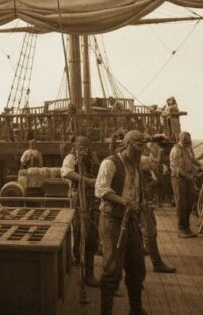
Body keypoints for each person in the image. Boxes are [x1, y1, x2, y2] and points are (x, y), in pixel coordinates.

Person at [95, 129, 155, 315]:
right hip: (112, 220)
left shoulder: (136, 164)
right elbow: (100, 189)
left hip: (131, 221)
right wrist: (123, 201)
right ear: (127, 145)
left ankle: (136, 309)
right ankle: (106, 312)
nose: (141, 149)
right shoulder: (109, 163)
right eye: (138, 145)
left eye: (143, 146)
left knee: (137, 266)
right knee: (112, 269)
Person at [61, 135, 100, 287]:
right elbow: (66, 173)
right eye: (81, 147)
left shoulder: (91, 158)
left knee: (90, 229)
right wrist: (86, 180)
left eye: (86, 147)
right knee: (78, 227)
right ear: (75, 147)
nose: (84, 150)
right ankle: (77, 256)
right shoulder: (71, 158)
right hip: (77, 195)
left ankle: (83, 257)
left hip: (91, 197)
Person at [140, 136, 175, 273]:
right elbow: (156, 178)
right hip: (139, 203)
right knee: (150, 232)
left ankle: (149, 254)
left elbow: (155, 179)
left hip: (142, 202)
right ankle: (157, 263)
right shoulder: (144, 161)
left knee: (149, 230)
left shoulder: (142, 161)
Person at [169, 131, 202, 237]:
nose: (188, 140)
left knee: (188, 203)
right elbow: (175, 167)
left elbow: (191, 160)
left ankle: (187, 227)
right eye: (186, 139)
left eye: (189, 138)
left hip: (187, 179)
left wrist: (201, 165)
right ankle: (181, 229)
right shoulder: (175, 150)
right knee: (181, 203)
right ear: (181, 139)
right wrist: (189, 176)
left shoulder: (186, 149)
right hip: (178, 179)